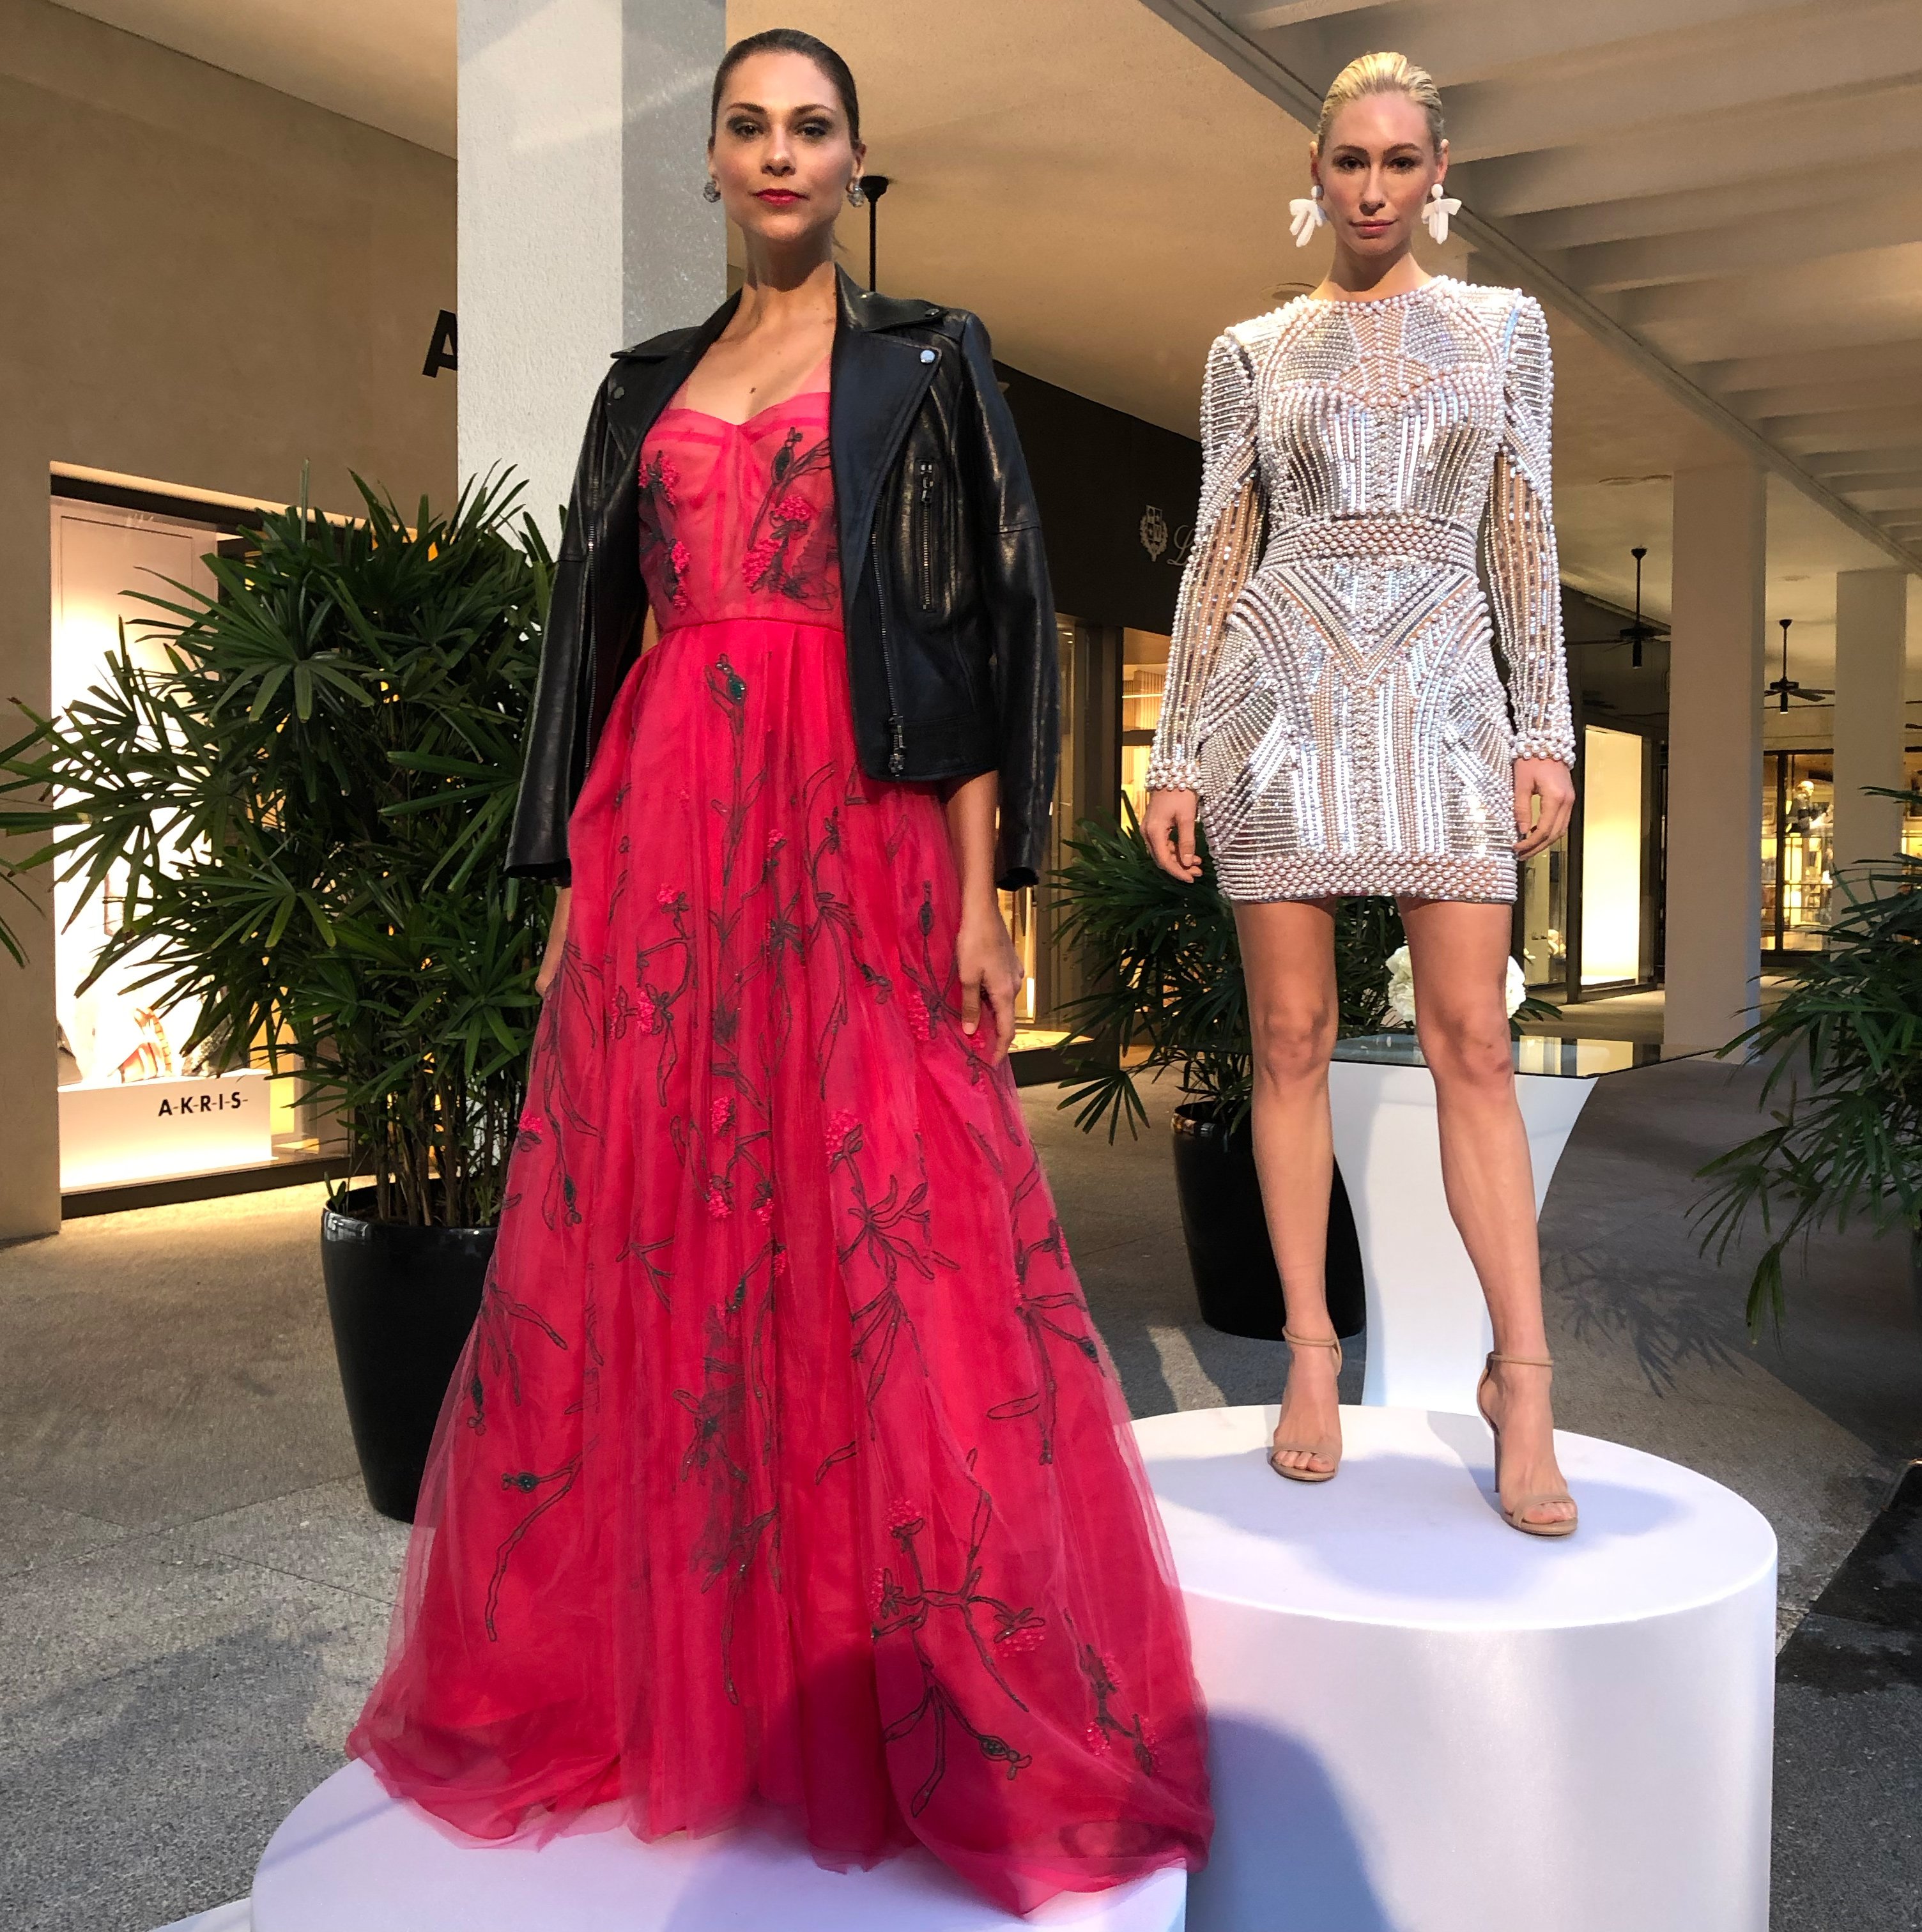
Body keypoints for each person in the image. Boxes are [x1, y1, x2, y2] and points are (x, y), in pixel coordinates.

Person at [350, 27, 1210, 1913]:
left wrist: (995, 890)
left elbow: (989, 618)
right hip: (669, 818)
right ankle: (692, 1680)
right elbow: (596, 620)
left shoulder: (930, 355)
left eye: (812, 127)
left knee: (886, 1214)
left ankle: (910, 1683)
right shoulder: (644, 382)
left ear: (855, 155)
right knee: (666, 1220)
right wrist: (566, 859)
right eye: (747, 126)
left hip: (864, 805)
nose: (780, 154)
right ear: (714, 164)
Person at [1142, 51, 1580, 1537]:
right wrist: (1175, 750)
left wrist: (1548, 730)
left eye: (1402, 161)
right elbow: (1216, 553)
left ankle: (1521, 1377)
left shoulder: (1504, 333)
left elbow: (1523, 533)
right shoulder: (1252, 351)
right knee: (1289, 1036)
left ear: (1440, 172)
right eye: (1351, 161)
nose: (1375, 186)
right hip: (1280, 700)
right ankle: (1312, 1357)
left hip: (1452, 694)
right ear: (1317, 173)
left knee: (1473, 1038)